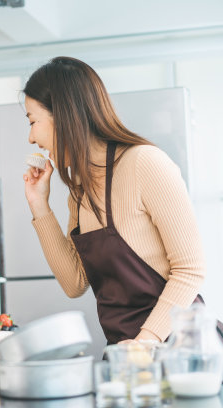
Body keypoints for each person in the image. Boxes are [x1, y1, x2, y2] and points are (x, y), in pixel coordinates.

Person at [22, 56, 206, 344]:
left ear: (64, 114)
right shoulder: (80, 189)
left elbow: (190, 270)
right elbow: (74, 283)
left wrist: (145, 343)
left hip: (178, 350)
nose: (31, 137)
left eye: (33, 121)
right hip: (128, 357)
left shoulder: (144, 163)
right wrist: (39, 205)